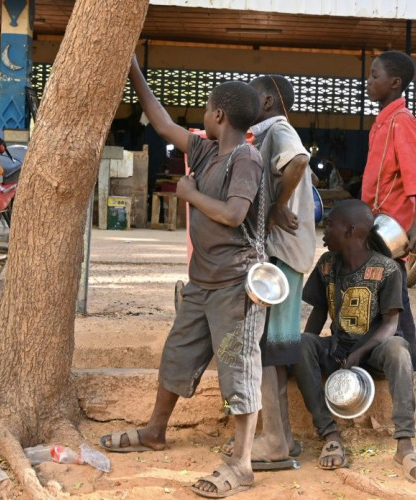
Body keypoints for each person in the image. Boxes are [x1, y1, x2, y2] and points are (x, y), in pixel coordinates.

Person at [99, 55, 266, 499]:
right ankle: (155, 431)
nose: (201, 118)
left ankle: (243, 462)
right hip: (202, 282)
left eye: (207, 110)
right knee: (177, 356)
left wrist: (189, 194)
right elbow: (161, 122)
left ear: (219, 115)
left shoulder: (247, 158)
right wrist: (132, 69)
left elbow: (234, 214)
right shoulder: (206, 148)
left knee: (238, 370)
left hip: (235, 285)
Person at [295, 199, 416, 483]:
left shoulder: (388, 269)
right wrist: (304, 352)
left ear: (349, 231)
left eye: (330, 224)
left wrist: (360, 352)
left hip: (374, 352)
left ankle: (405, 445)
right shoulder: (325, 265)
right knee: (301, 344)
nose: (324, 229)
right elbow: (318, 315)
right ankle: (329, 434)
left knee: (398, 348)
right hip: (338, 350)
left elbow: (390, 325)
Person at [221, 75, 314, 469]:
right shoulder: (264, 132)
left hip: (281, 255)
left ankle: (275, 441)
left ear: (268, 101)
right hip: (280, 254)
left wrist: (279, 206)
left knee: (269, 349)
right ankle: (281, 438)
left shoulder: (278, 128)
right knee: (268, 346)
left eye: (252, 97)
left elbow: (297, 160)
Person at [361, 50, 416, 371]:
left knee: (394, 304)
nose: (368, 81)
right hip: (374, 230)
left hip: (391, 234)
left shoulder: (402, 123)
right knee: (389, 303)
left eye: (374, 76)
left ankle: (409, 367)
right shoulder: (383, 123)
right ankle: (400, 363)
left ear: (394, 83)